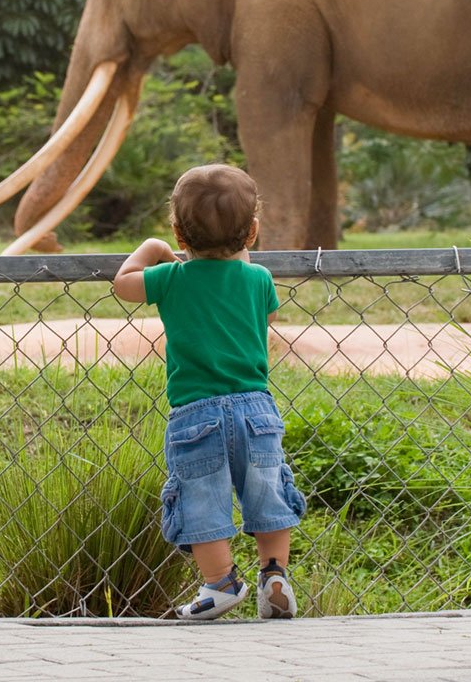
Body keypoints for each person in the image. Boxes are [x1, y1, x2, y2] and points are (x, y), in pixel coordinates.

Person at [113, 164, 306, 620]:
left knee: (201, 496)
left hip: (196, 413)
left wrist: (153, 248)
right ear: (253, 232)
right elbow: (268, 317)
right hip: (255, 407)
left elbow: (123, 284)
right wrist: (238, 261)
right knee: (266, 492)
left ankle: (221, 583)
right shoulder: (258, 279)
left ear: (179, 234)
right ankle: (274, 574)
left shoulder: (172, 279)